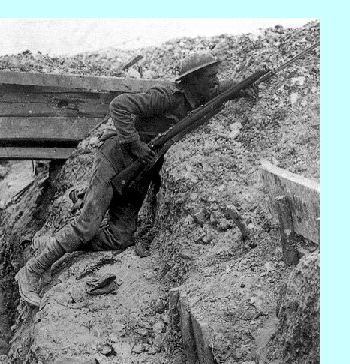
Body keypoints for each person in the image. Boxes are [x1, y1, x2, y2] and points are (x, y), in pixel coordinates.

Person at [16, 52, 253, 307]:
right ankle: (32, 271)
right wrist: (135, 143)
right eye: (210, 77)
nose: (215, 81)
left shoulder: (200, 100)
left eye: (215, 76)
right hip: (115, 160)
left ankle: (54, 244)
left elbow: (224, 89)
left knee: (121, 238)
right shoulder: (166, 98)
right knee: (87, 226)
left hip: (137, 175)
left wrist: (246, 85)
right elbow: (120, 105)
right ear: (193, 80)